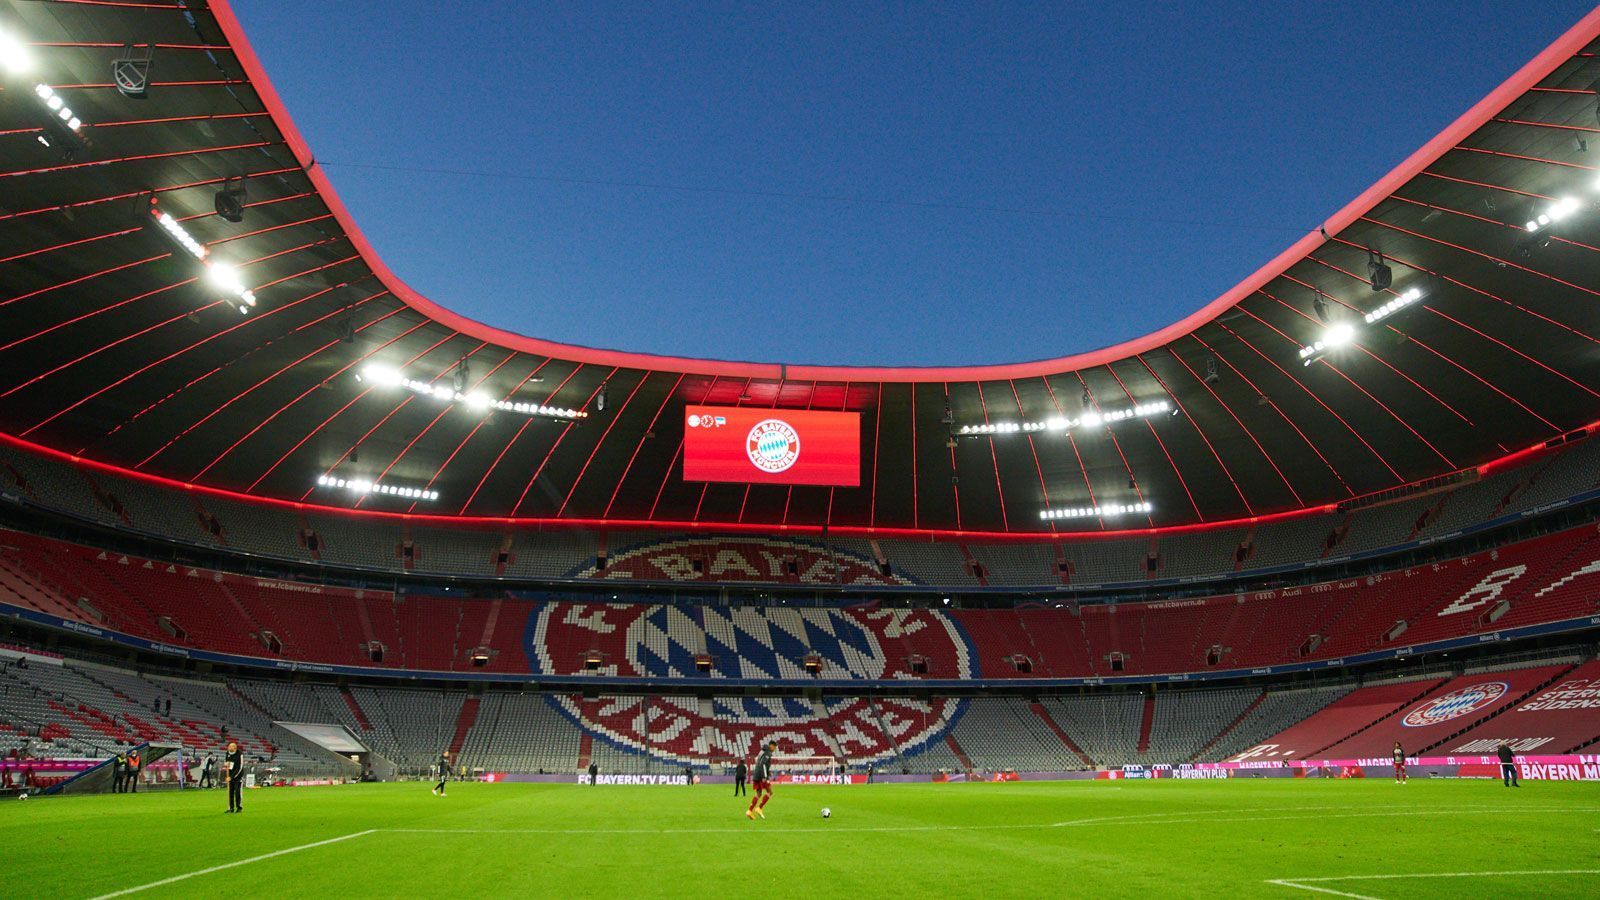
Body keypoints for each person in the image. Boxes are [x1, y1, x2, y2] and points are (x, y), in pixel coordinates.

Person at [746, 741, 776, 820]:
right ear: (771, 746)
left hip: (756, 774)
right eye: (774, 747)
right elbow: (762, 763)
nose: (774, 749)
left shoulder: (761, 751)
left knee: (758, 793)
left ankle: (749, 810)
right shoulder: (767, 753)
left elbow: (760, 763)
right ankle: (759, 808)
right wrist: (764, 776)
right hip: (761, 776)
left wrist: (768, 771)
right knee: (770, 792)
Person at [224, 740, 244, 813]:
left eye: (230, 746)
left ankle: (239, 807)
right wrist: (226, 765)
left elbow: (240, 767)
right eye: (228, 746)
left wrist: (232, 777)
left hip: (238, 777)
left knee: (238, 792)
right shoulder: (227, 753)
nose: (228, 747)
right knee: (230, 792)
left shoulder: (239, 754)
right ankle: (230, 808)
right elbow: (227, 763)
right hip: (230, 776)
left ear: (234, 748)